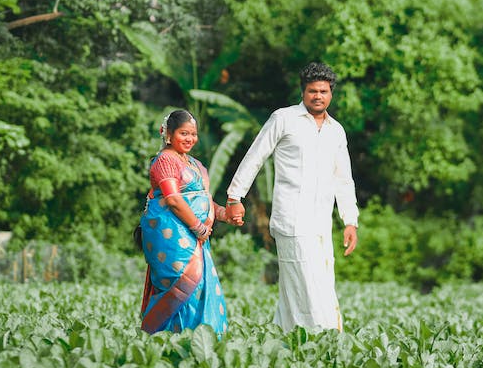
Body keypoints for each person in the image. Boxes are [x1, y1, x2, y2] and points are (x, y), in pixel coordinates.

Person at [226, 62, 359, 332]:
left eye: (323, 91)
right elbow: (255, 157)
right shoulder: (283, 119)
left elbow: (343, 179)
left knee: (305, 288)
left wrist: (350, 220)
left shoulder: (336, 130)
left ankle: (283, 341)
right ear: (303, 92)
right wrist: (234, 197)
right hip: (292, 221)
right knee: (309, 287)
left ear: (331, 93)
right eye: (312, 91)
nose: (318, 96)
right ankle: (325, 340)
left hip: (321, 224)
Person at [139, 109, 243, 335]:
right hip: (175, 240)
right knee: (182, 287)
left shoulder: (195, 164)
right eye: (184, 133)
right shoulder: (165, 160)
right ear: (168, 134)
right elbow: (174, 199)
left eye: (193, 134)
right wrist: (198, 227)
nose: (190, 139)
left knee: (202, 289)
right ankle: (167, 341)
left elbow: (204, 200)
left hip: (196, 238)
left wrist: (226, 215)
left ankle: (202, 340)